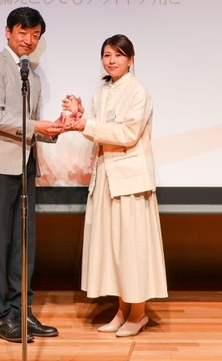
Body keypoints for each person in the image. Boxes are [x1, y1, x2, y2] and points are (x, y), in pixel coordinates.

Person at [62, 33, 168, 338]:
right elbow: (98, 128)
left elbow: (127, 134)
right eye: (107, 55)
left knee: (132, 248)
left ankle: (139, 314)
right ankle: (122, 310)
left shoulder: (138, 91)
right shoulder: (102, 92)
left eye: (119, 55)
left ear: (131, 60)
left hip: (130, 182)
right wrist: (82, 116)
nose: (112, 61)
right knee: (114, 250)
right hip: (106, 179)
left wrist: (88, 123)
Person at [0, 6, 64, 343]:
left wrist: (57, 128)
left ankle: (21, 310)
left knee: (24, 244)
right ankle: (1, 317)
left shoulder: (31, 76)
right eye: (23, 32)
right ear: (8, 32)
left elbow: (31, 126)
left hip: (24, 167)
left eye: (35, 35)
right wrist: (37, 126)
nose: (28, 40)